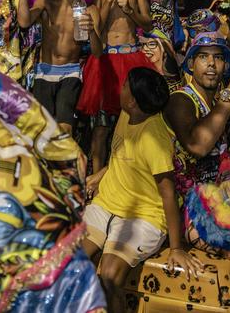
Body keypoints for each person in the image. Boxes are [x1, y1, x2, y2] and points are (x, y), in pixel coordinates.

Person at [83, 67, 203, 312]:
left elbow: (168, 194)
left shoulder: (154, 140)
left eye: (125, 85)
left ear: (133, 101)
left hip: (144, 216)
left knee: (109, 276)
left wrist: (176, 248)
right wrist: (102, 172)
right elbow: (125, 154)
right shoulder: (129, 114)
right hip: (106, 203)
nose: (121, 87)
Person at [80, 0, 153, 172]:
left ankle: (127, 174)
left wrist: (130, 9)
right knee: (100, 128)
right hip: (105, 60)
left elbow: (148, 24)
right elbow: (96, 27)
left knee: (132, 123)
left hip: (132, 57)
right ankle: (96, 178)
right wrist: (109, 1)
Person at [163, 32, 230, 200]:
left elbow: (215, 157)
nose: (211, 63)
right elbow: (198, 146)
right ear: (191, 64)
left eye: (218, 58)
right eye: (204, 57)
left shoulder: (217, 105)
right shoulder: (180, 100)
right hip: (184, 207)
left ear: (226, 66)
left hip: (214, 201)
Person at [17, 0, 102, 133]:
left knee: (64, 128)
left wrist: (92, 31)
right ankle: (46, 161)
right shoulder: (46, 2)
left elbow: (98, 52)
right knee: (42, 128)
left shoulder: (90, 10)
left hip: (70, 73)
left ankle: (66, 160)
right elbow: (24, 22)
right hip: (44, 72)